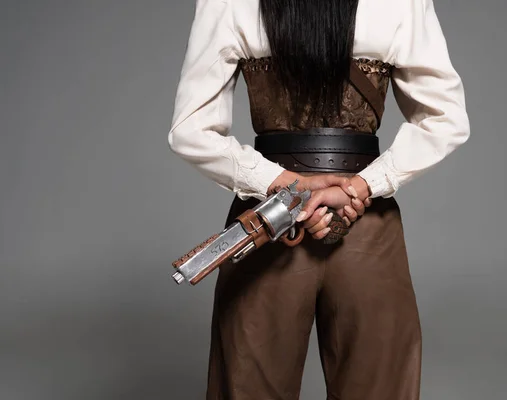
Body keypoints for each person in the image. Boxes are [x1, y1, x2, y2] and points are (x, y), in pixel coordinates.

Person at [167, 0, 470, 398]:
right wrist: (360, 186)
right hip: (326, 220)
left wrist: (286, 183)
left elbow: (191, 129)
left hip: (270, 218)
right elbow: (444, 119)